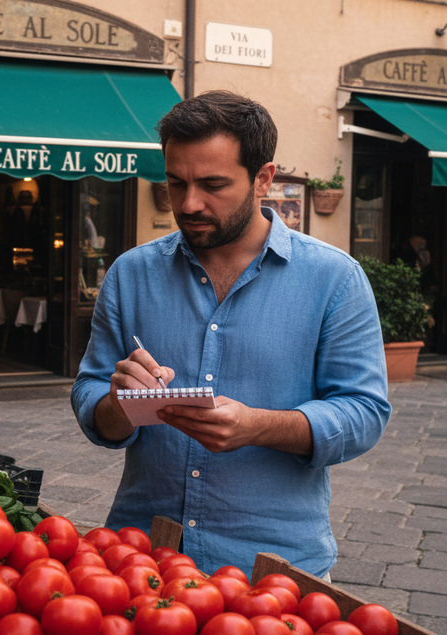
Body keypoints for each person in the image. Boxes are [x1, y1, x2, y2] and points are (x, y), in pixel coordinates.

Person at [70, 90, 391, 578]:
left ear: (264, 179)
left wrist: (259, 426)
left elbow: (365, 413)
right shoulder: (130, 274)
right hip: (139, 559)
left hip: (274, 573)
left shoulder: (334, 279)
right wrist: (118, 404)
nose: (190, 202)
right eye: (176, 183)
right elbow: (90, 396)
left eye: (212, 184)